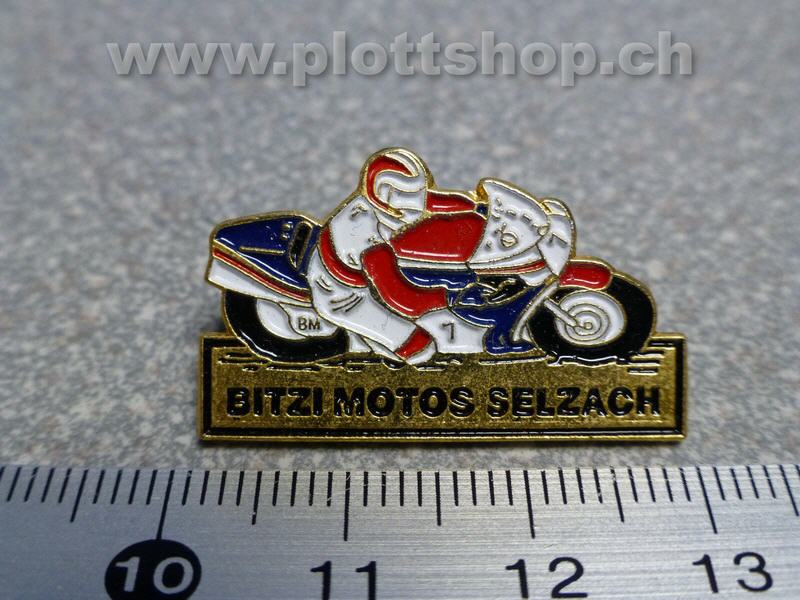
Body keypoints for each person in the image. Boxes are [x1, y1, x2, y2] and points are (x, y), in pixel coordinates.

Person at [306, 148, 574, 363]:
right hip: (345, 295)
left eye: (416, 192)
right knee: (420, 349)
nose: (415, 203)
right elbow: (400, 298)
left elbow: (435, 201)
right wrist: (451, 296)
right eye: (404, 194)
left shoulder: (396, 204)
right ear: (382, 193)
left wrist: (480, 207)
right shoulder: (363, 236)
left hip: (367, 278)